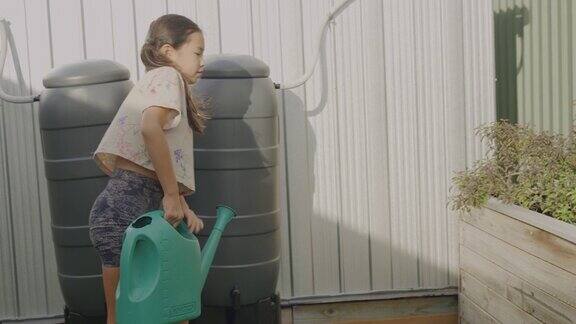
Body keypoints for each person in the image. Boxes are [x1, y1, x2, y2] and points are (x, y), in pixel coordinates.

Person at [88, 14, 209, 324]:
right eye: (197, 52)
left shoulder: (161, 82)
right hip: (124, 211)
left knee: (137, 316)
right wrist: (170, 195)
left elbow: (154, 158)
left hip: (122, 208)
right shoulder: (168, 76)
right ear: (169, 51)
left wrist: (180, 201)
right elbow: (150, 129)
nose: (202, 61)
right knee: (137, 316)